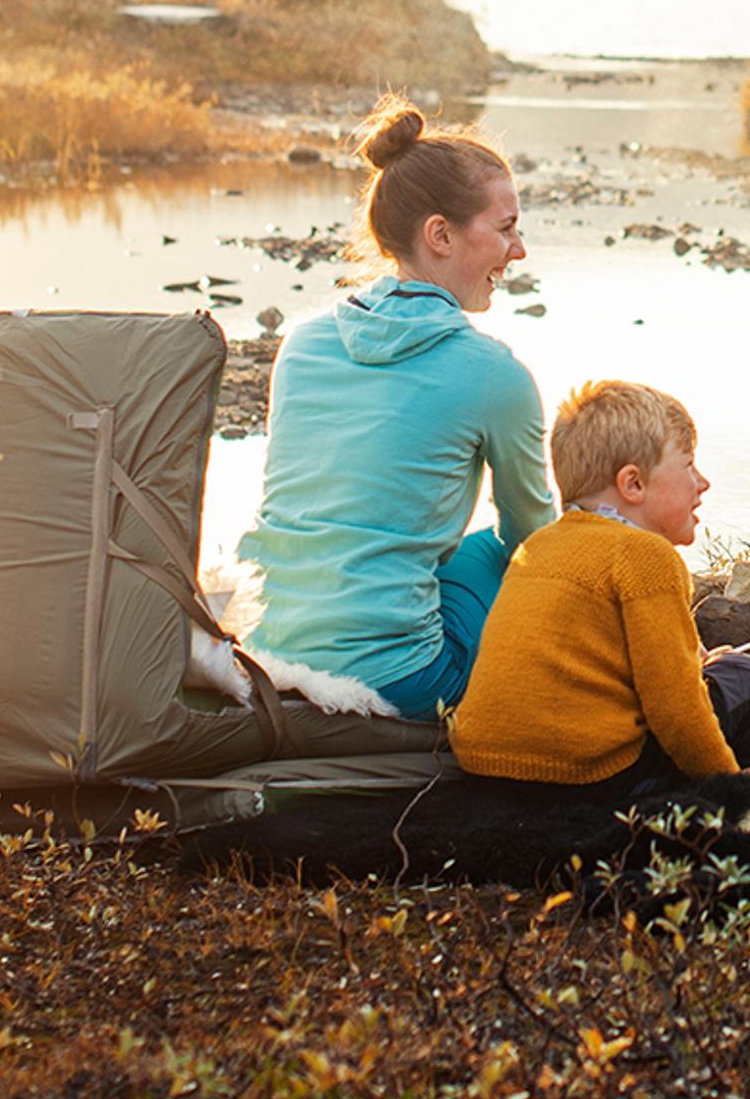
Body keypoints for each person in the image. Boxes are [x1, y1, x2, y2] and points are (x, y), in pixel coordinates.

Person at [235, 97, 556, 720]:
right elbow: (533, 541)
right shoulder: (494, 374)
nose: (518, 251)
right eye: (507, 227)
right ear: (440, 234)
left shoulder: (301, 343)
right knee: (494, 548)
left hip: (269, 653)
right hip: (403, 681)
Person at [448, 380, 750, 789]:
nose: (703, 483)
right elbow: (676, 709)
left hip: (487, 764)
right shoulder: (647, 557)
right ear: (633, 484)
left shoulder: (539, 545)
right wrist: (730, 782)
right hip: (589, 775)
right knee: (746, 673)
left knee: (723, 679)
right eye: (689, 465)